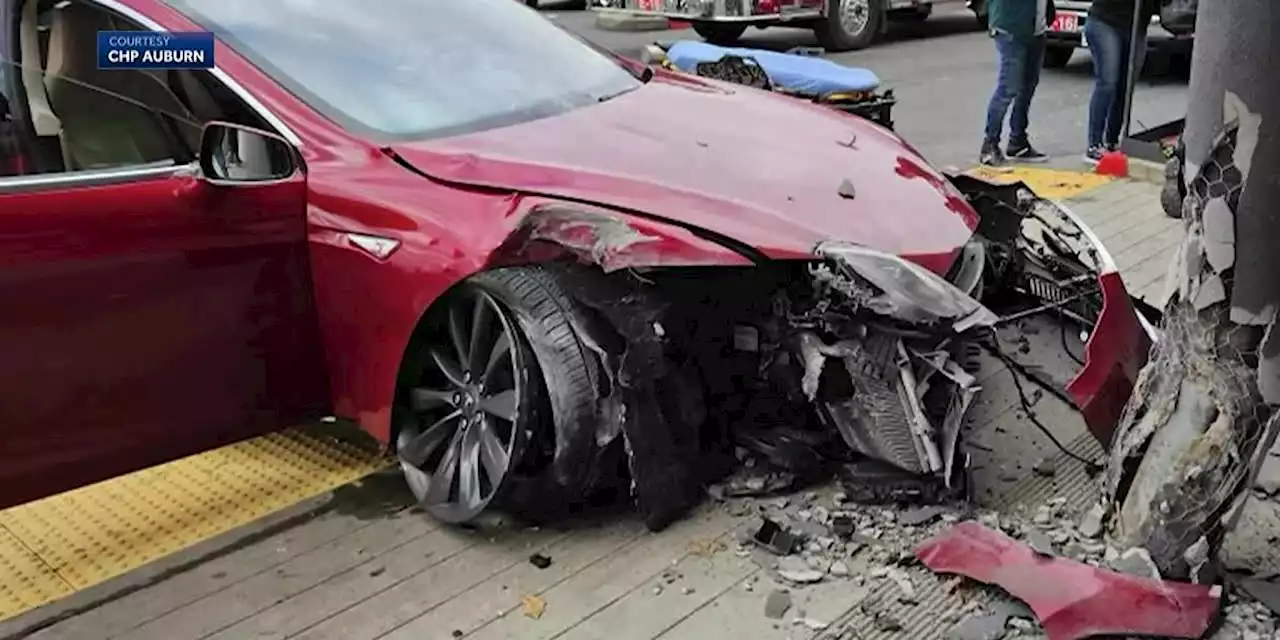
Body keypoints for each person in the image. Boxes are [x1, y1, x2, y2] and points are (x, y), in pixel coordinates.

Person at [980, 0, 1056, 166]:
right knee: (1008, 88)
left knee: (1028, 87)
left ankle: (1018, 141)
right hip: (1011, 28)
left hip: (1036, 28)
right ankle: (989, 145)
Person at [1083, 0, 1159, 164]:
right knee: (1107, 82)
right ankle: (1094, 145)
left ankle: (1112, 141)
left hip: (1136, 27)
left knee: (1125, 87)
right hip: (1105, 21)